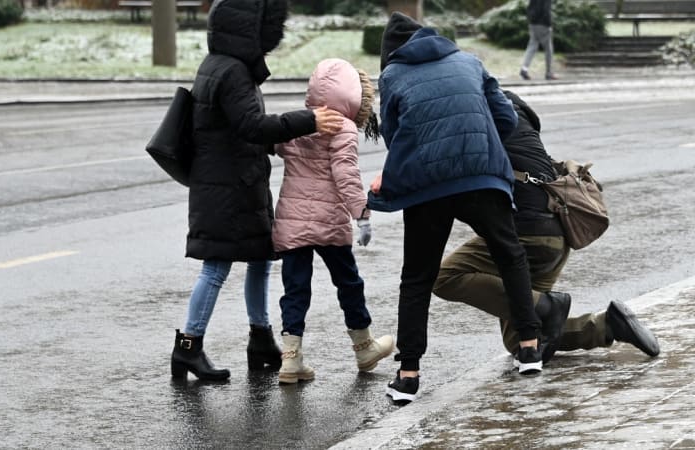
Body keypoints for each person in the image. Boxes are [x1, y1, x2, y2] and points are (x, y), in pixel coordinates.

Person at [370, 12, 565, 405]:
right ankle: (529, 347)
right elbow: (506, 118)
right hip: (481, 177)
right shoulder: (469, 60)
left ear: (390, 53)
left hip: (428, 185)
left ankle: (408, 376)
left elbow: (394, 134)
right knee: (509, 255)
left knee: (417, 277)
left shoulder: (391, 75)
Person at [170, 0, 344, 382]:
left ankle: (260, 340)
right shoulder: (231, 71)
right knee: (216, 266)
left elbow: (237, 127)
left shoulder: (222, 65)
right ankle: (188, 347)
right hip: (228, 187)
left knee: (260, 261)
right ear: (249, 30)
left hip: (238, 181)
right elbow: (251, 125)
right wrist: (309, 121)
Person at [433, 90, 660, 362]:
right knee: (521, 341)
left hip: (526, 236)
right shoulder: (516, 113)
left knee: (444, 277)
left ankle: (549, 307)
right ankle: (607, 325)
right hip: (556, 234)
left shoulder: (472, 119)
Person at [272, 58, 394, 385]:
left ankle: (291, 359)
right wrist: (362, 215)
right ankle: (364, 346)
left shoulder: (297, 123)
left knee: (295, 289)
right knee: (349, 284)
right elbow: (346, 176)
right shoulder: (343, 128)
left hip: (293, 223)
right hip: (329, 224)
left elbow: (270, 142)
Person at [520, 0, 557, 81]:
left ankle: (524, 69)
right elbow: (546, 10)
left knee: (532, 47)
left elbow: (529, 8)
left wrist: (530, 20)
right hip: (543, 24)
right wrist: (549, 24)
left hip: (532, 24)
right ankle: (549, 73)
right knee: (548, 50)